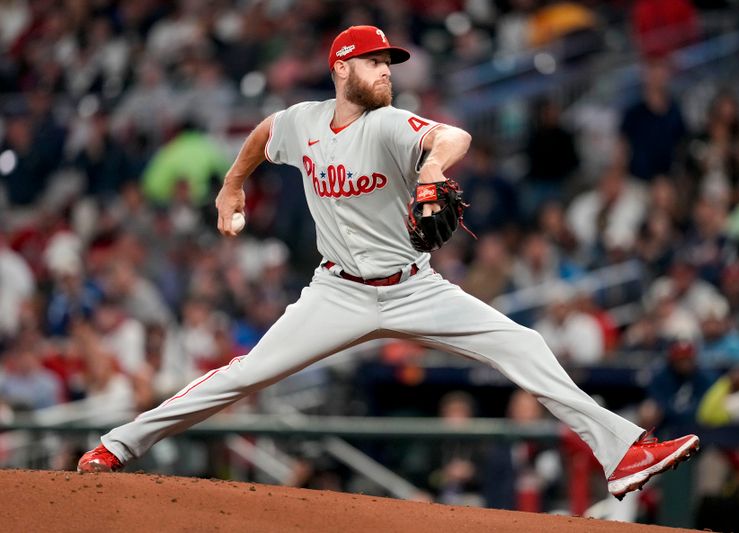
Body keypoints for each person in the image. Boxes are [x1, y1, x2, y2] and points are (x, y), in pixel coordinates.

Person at [78, 25, 699, 500]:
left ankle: (623, 456)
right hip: (336, 294)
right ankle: (116, 446)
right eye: (376, 62)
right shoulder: (304, 123)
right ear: (342, 67)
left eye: (389, 63)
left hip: (413, 287)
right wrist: (231, 186)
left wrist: (431, 166)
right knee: (244, 375)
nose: (387, 71)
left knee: (525, 344)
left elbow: (453, 137)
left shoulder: (391, 124)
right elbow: (267, 133)